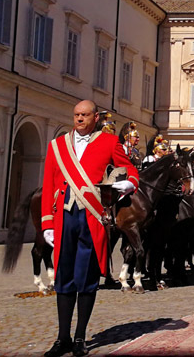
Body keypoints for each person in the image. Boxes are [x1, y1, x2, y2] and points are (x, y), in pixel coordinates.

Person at [41, 100, 139, 357]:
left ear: (95, 117)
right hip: (63, 217)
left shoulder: (109, 143)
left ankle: (80, 337)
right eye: (76, 115)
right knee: (64, 278)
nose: (79, 119)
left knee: (86, 279)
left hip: (91, 217)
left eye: (85, 115)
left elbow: (130, 170)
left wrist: (126, 186)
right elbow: (49, 183)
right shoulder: (58, 146)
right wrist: (47, 223)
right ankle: (62, 338)